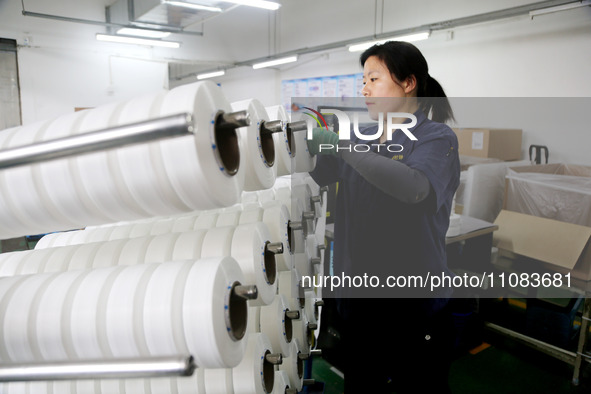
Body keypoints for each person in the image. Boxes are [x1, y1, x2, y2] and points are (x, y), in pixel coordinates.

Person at [307, 41, 460, 392]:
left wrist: (342, 145)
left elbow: (414, 187)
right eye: (363, 81)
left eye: (374, 78)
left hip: (414, 311)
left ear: (409, 83)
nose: (364, 88)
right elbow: (310, 173)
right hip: (360, 307)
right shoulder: (362, 136)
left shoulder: (436, 138)